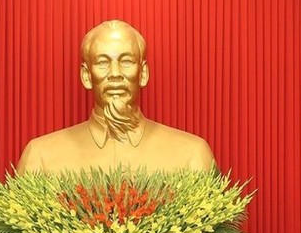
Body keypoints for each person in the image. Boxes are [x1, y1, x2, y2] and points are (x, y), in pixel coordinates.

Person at [16, 19, 215, 175]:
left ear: (143, 73)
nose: (115, 73)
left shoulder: (192, 155)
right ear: (86, 76)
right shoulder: (40, 156)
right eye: (102, 62)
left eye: (126, 61)